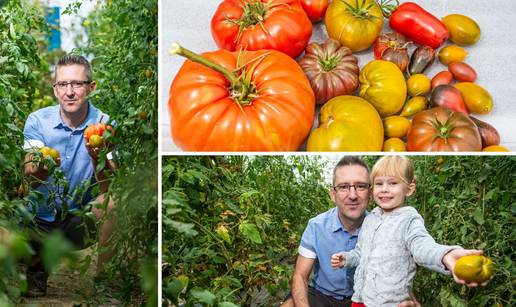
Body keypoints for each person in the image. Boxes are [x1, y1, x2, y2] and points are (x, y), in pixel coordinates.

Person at [330, 156, 486, 307]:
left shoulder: (409, 220)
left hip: (389, 303)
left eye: (392, 183)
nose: (384, 189)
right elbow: (361, 252)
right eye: (379, 183)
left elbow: (421, 246)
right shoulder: (370, 219)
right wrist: (347, 259)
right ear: (372, 189)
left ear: (409, 188)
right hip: (360, 298)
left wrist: (444, 255)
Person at [22, 54, 116, 297]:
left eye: (77, 84)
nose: (70, 91)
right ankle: (36, 271)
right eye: (63, 84)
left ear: (91, 87)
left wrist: (99, 159)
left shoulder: (104, 124)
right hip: (40, 220)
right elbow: (29, 174)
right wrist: (44, 166)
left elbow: (109, 188)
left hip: (79, 221)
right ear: (55, 90)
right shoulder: (38, 121)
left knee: (115, 204)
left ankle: (105, 282)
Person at [281, 156, 421, 307]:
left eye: (360, 186)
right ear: (333, 194)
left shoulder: (384, 227)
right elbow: (300, 275)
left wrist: (408, 298)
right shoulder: (316, 226)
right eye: (343, 187)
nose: (353, 195)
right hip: (322, 295)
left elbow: (396, 269)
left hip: (365, 297)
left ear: (370, 192)